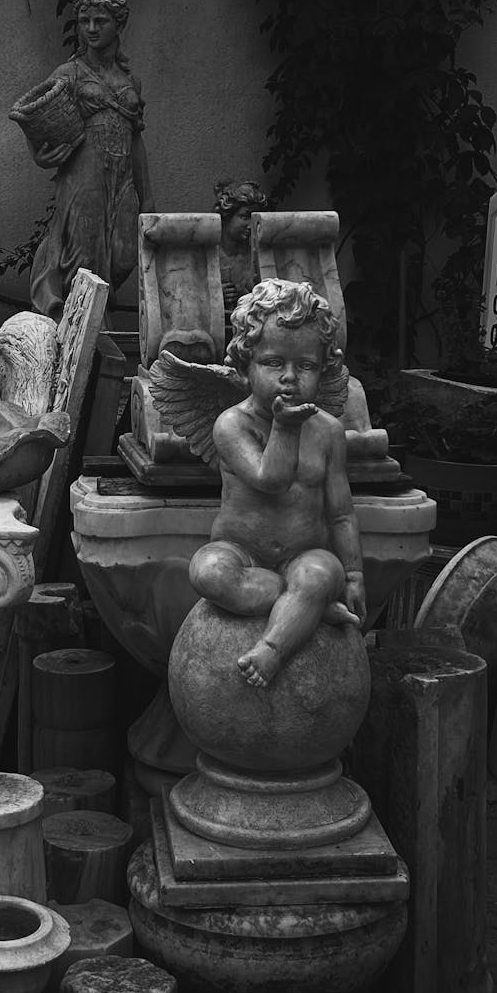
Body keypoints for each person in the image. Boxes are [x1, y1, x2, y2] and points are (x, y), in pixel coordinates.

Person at [188, 278, 366, 688]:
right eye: (273, 363)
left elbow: (340, 514)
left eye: (305, 366)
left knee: (322, 574)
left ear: (325, 369)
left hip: (304, 553)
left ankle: (272, 648)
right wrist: (285, 426)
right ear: (245, 365)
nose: (289, 377)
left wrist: (353, 576)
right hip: (240, 553)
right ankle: (309, 607)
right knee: (208, 572)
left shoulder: (328, 432)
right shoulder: (232, 425)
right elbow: (271, 479)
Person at [26, 0, 153, 319]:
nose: (92, 29)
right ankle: (87, 334)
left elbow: (136, 140)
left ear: (119, 23)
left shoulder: (131, 81)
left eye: (101, 21)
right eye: (85, 21)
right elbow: (37, 118)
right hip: (84, 175)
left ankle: (95, 327)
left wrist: (148, 198)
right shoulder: (69, 74)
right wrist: (39, 155)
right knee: (84, 262)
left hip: (123, 176)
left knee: (124, 256)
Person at [213, 178, 270, 312]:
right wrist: (216, 294)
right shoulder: (209, 253)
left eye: (253, 218)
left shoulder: (258, 253)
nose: (251, 225)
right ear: (227, 215)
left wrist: (248, 296)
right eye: (245, 217)